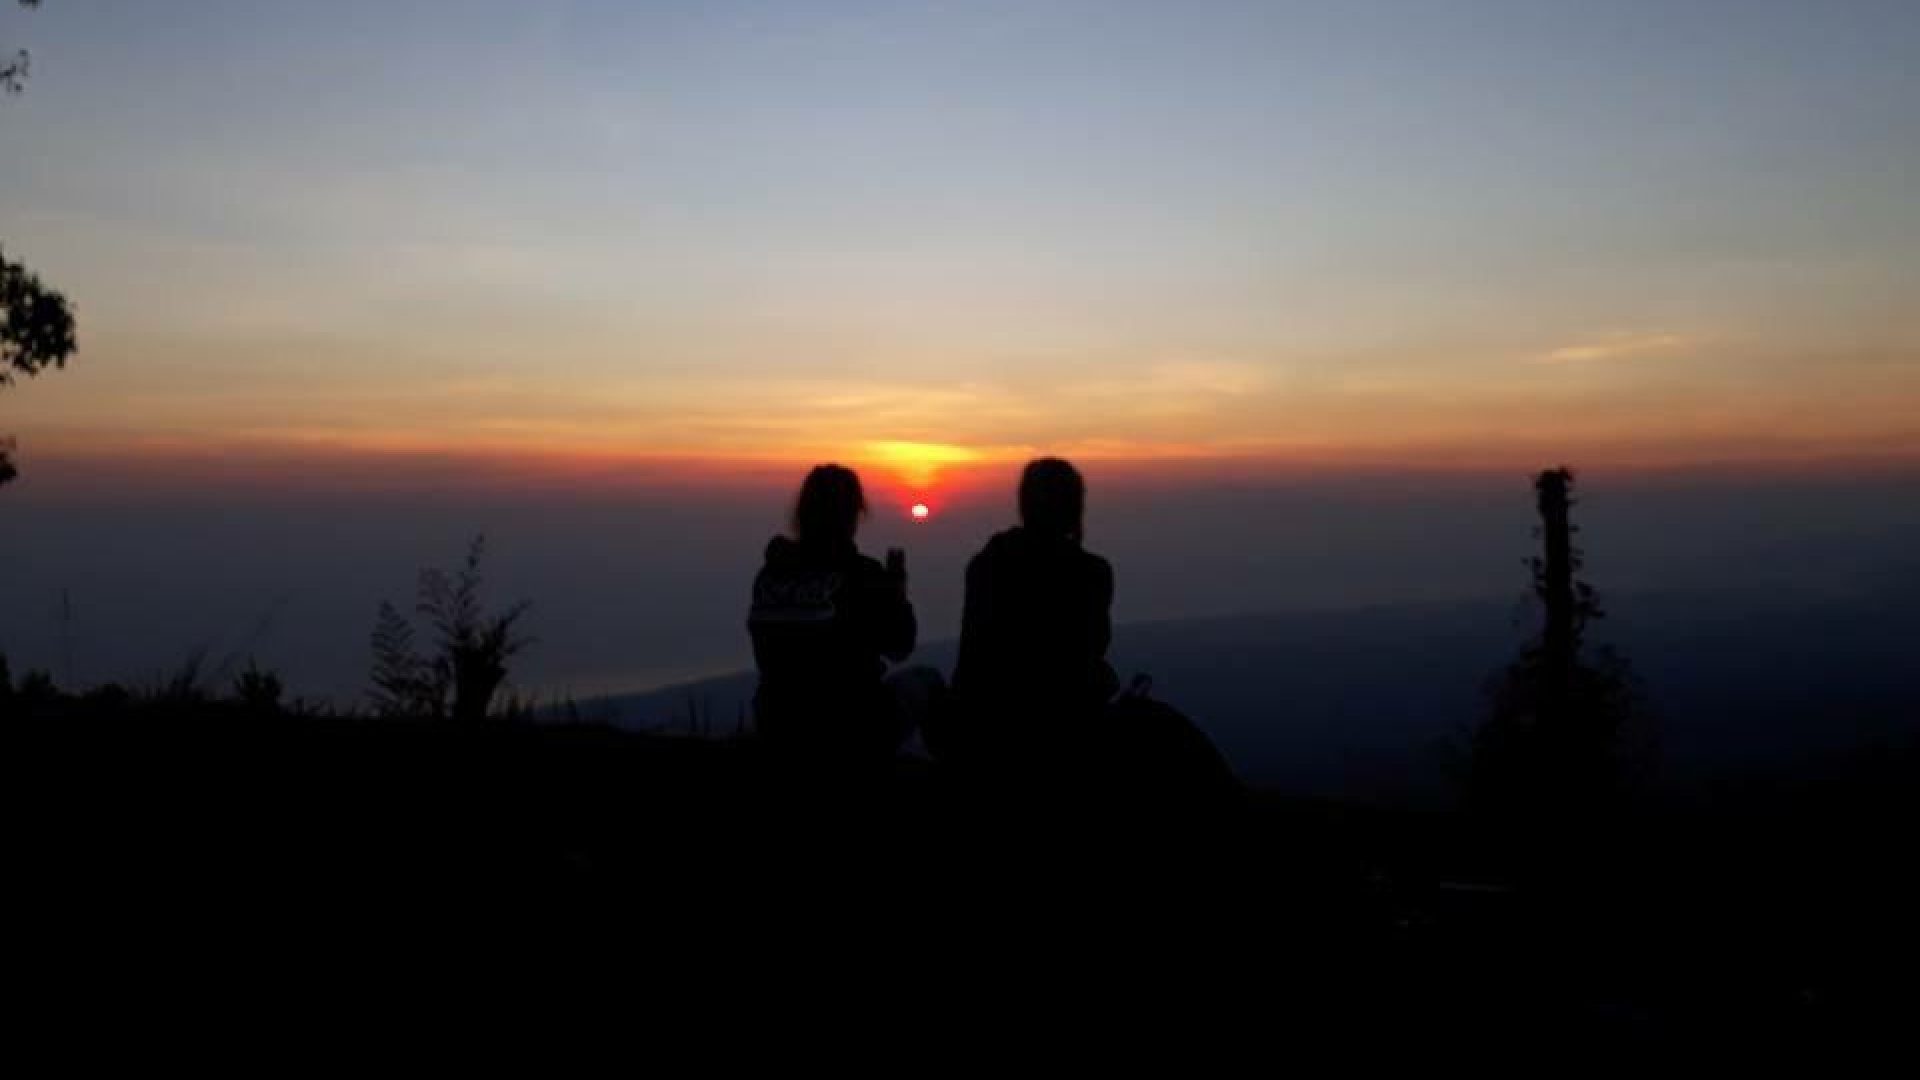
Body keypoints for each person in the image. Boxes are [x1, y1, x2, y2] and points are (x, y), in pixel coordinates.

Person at [938, 458, 1120, 773]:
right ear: (1074, 507)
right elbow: (1093, 649)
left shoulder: (988, 562)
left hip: (983, 721)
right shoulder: (1092, 572)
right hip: (1063, 723)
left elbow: (972, 656)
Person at [747, 464, 931, 762]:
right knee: (927, 682)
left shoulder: (770, 574)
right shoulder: (862, 575)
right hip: (849, 727)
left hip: (776, 724)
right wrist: (897, 592)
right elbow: (900, 646)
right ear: (851, 515)